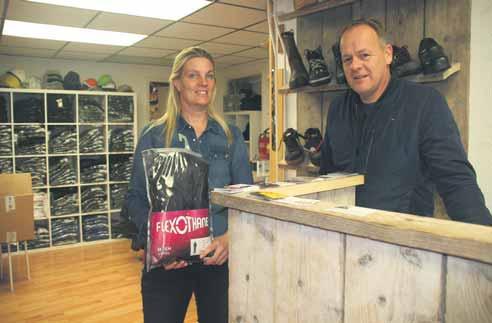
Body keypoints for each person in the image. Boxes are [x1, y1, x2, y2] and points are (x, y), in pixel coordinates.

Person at [319, 19, 492, 225]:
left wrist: (482, 238)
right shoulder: (338, 109)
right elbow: (326, 178)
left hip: (403, 243)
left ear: (388, 54)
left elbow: (455, 179)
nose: (355, 65)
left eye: (364, 55)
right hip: (346, 236)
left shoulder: (424, 103)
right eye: (347, 59)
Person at [127, 46, 253, 323]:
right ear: (177, 83)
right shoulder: (154, 135)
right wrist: (156, 243)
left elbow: (248, 200)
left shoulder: (230, 136)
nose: (203, 83)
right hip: (166, 265)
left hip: (217, 260)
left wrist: (230, 239)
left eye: (209, 75)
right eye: (193, 75)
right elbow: (134, 199)